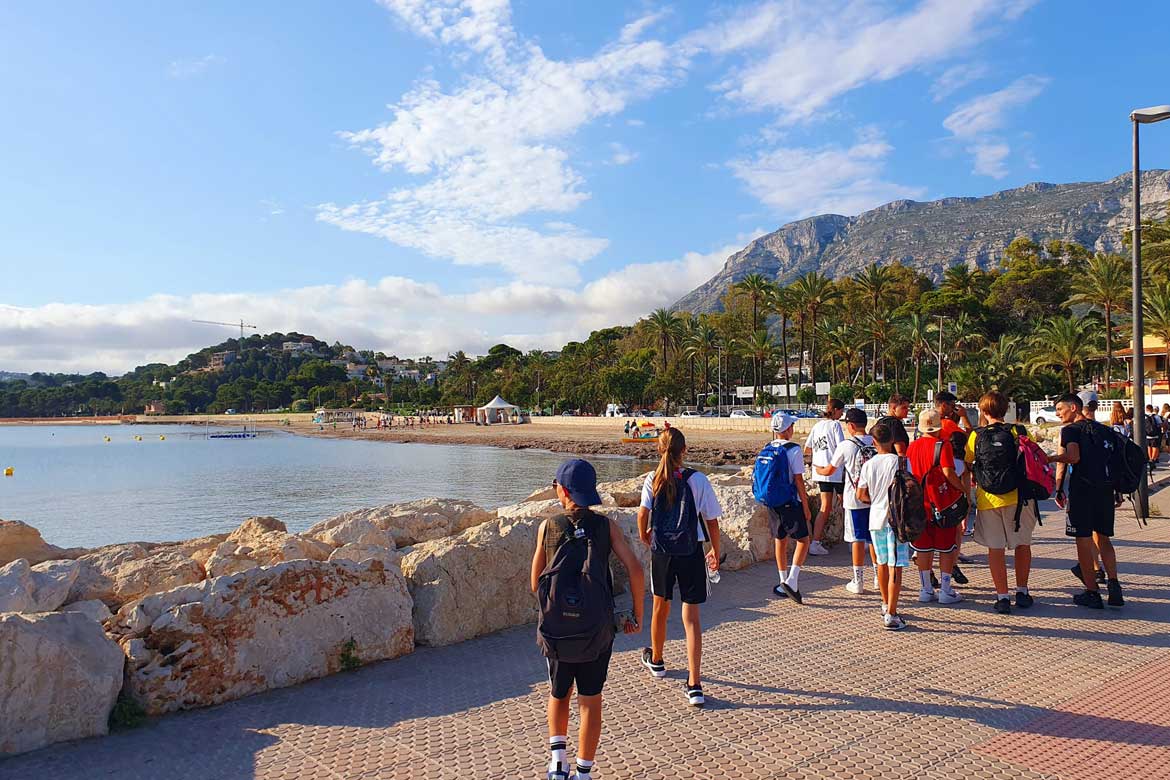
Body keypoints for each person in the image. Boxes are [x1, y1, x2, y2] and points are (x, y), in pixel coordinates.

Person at [530, 459, 645, 780]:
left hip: (558, 632)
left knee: (558, 693)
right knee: (590, 700)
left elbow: (534, 582)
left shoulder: (548, 527)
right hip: (597, 630)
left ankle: (557, 763)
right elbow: (636, 569)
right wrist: (637, 613)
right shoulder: (605, 526)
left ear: (562, 490)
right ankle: (583, 772)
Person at [637, 428, 722, 706]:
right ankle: (695, 684)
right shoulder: (697, 479)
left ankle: (658, 660)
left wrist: (646, 535)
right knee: (692, 618)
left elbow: (643, 514)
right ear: (684, 450)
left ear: (659, 449)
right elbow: (711, 520)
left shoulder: (653, 478)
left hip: (663, 551)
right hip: (690, 550)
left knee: (660, 606)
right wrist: (715, 550)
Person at [1048, 393, 1125, 609]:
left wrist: (1052, 459)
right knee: (1104, 538)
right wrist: (1117, 490)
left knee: (1083, 540)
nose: (1058, 414)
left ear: (1074, 408)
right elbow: (1114, 462)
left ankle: (1092, 592)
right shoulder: (1105, 430)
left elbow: (1073, 457)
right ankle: (1114, 584)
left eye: (1060, 409)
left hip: (1082, 491)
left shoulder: (1070, 430)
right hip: (1105, 491)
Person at [966, 391, 1038, 615]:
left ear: (984, 412)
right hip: (1019, 498)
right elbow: (1033, 458)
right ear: (1006, 410)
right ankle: (1023, 591)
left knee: (995, 549)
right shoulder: (1019, 431)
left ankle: (1002, 596)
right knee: (1022, 544)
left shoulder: (976, 436)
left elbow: (969, 463)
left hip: (988, 499)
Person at [906, 409, 965, 605]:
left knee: (923, 548)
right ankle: (946, 590)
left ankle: (925, 589)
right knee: (946, 548)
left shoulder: (912, 447)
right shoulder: (943, 445)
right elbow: (949, 472)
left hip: (919, 504)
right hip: (941, 504)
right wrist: (962, 489)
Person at [817, 407, 876, 594]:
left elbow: (830, 470)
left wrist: (818, 469)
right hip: (875, 498)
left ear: (850, 425)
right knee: (874, 539)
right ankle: (877, 576)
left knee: (857, 539)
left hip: (854, 499)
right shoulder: (876, 442)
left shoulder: (847, 445)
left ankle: (858, 581)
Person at [856, 422, 909, 630]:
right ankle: (892, 614)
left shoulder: (869, 464)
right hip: (896, 520)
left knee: (882, 564)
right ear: (892, 440)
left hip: (875, 519)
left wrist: (875, 501)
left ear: (875, 441)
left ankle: (885, 604)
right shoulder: (900, 462)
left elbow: (861, 494)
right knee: (896, 565)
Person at [758, 412, 814, 602]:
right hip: (790, 501)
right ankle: (792, 580)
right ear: (788, 429)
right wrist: (805, 506)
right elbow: (798, 480)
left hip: (773, 502)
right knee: (804, 540)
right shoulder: (794, 449)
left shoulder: (767, 447)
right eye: (792, 426)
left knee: (779, 539)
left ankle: (782, 581)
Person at [804, 398, 845, 556]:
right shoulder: (835, 425)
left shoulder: (817, 425)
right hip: (834, 470)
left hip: (819, 470)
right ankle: (854, 539)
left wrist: (820, 455)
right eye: (841, 411)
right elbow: (841, 448)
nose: (842, 414)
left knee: (825, 507)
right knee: (845, 504)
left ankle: (815, 542)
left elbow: (807, 448)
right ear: (835, 410)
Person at [1144, 403, 1162, 471]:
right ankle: (1152, 460)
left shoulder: (1144, 416)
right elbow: (1160, 424)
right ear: (1151, 409)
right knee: (1154, 447)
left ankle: (1150, 459)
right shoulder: (1156, 416)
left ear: (1146, 409)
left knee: (1149, 447)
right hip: (1155, 434)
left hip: (1147, 435)